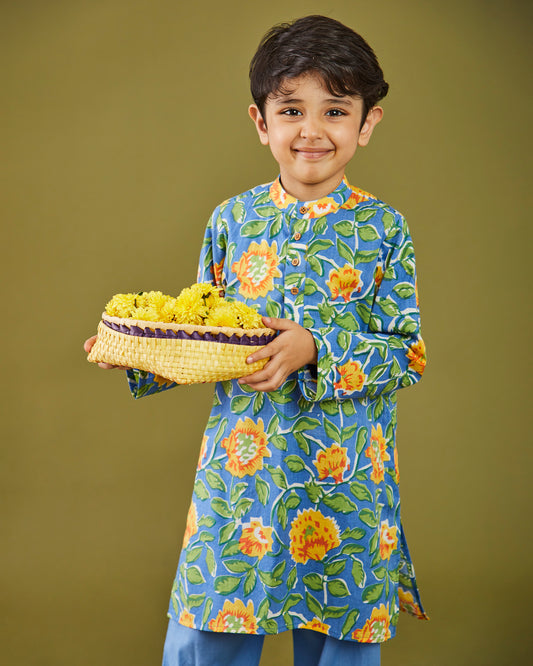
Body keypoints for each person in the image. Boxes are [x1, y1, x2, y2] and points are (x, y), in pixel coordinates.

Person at [85, 14, 428, 666]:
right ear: (261, 122)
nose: (311, 130)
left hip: (345, 476)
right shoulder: (231, 221)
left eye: (335, 110)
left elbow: (406, 352)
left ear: (367, 123)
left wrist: (316, 348)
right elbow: (203, 332)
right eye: (291, 109)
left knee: (338, 633)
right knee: (209, 629)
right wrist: (139, 354)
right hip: (242, 473)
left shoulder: (385, 229)